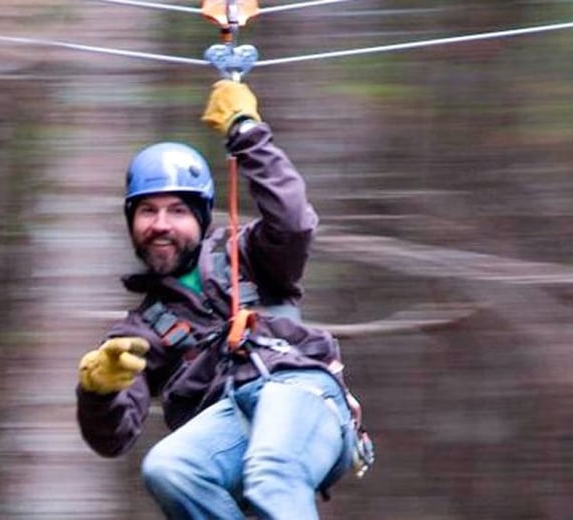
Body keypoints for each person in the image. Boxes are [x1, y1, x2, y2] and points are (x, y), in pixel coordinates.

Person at [74, 80, 369, 520]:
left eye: (176, 211)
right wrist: (97, 392)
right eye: (147, 211)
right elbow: (113, 439)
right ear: (131, 221)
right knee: (168, 468)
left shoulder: (249, 254)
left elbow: (293, 222)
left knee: (271, 469)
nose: (160, 224)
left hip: (300, 396)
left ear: (200, 217)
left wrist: (247, 132)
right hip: (231, 428)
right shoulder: (135, 335)